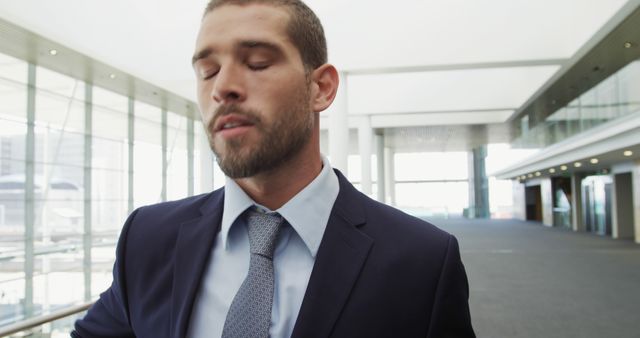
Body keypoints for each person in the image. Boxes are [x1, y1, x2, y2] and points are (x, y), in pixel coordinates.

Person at [72, 0, 475, 337]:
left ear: (320, 88)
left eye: (258, 62)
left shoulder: (422, 263)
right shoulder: (148, 238)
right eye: (207, 71)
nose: (222, 87)